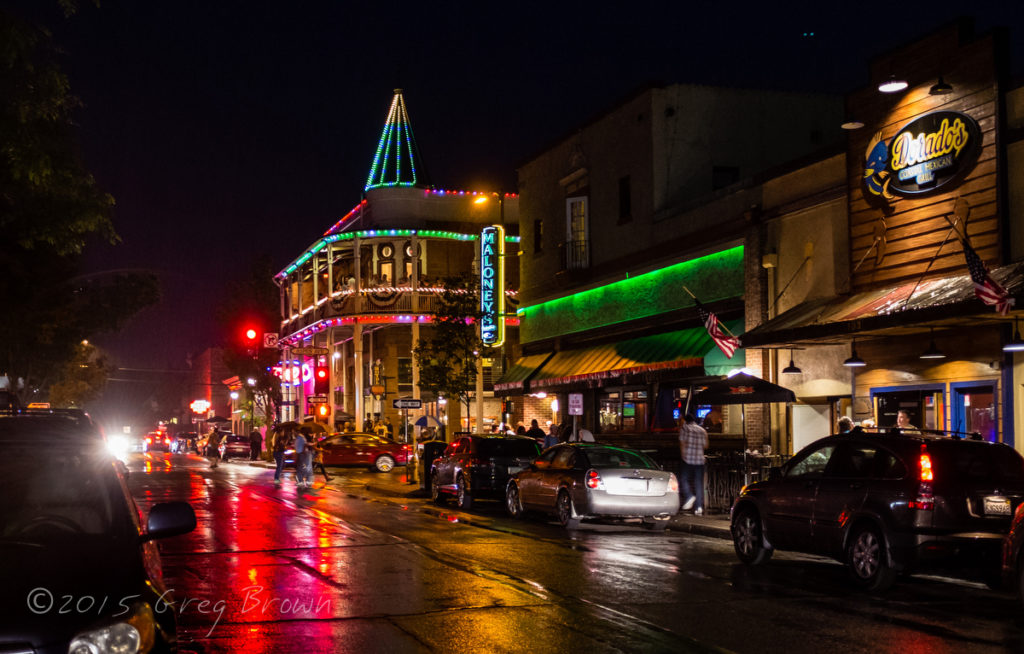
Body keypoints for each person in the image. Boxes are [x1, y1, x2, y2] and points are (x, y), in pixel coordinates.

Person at [678, 413, 708, 516]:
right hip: (699, 460)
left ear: (685, 420)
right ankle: (699, 507)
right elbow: (706, 445)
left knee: (683, 479)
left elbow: (682, 443)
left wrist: (683, 455)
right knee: (699, 484)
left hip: (688, 460)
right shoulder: (702, 430)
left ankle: (689, 496)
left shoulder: (685, 428)